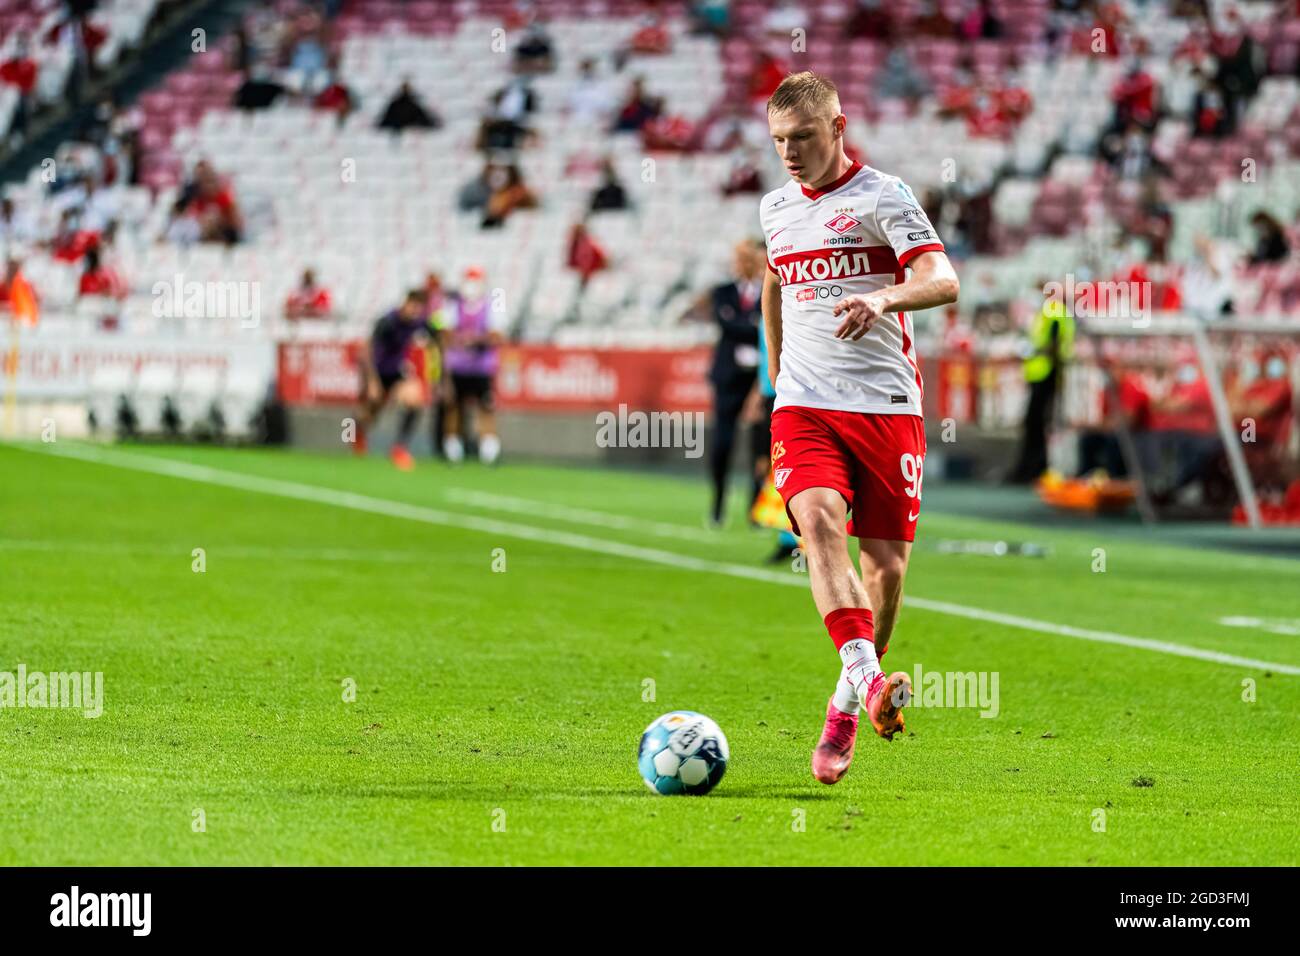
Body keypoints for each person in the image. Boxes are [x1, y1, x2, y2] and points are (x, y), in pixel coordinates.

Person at [760, 72, 959, 785]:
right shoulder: (776, 209)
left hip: (885, 408)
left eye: (804, 137)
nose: (790, 152)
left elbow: (943, 279)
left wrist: (883, 295)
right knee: (815, 526)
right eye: (780, 140)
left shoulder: (885, 198)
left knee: (888, 572)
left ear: (838, 128)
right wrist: (778, 376)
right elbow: (776, 283)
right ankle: (873, 684)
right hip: (806, 406)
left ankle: (845, 705)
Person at [706, 240, 764, 527]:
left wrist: (748, 327)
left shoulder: (768, 292)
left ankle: (756, 511)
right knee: (722, 444)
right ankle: (717, 505)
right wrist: (755, 327)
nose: (741, 263)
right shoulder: (723, 292)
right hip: (728, 376)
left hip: (758, 378)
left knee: (760, 446)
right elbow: (727, 326)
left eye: (746, 258)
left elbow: (762, 328)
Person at [355, 290, 430, 470]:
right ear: (406, 303)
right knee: (370, 411)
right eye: (413, 307)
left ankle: (399, 447)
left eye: (419, 309)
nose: (415, 312)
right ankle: (354, 435)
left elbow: (436, 337)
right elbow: (367, 352)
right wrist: (372, 381)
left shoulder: (418, 323)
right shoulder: (387, 321)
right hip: (376, 370)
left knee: (415, 401)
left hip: (396, 371)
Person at [1009, 285, 1074, 483]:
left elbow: (1053, 344)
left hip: (1047, 374)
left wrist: (1034, 351)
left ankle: (1035, 468)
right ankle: (1036, 466)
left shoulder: (1053, 312)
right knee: (1035, 423)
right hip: (1041, 374)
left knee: (1036, 423)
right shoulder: (1049, 312)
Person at [442, 267, 504, 465]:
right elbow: (445, 333)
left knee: (485, 407)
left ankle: (488, 450)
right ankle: (453, 449)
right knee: (454, 406)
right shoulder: (452, 304)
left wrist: (474, 339)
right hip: (458, 366)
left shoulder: (493, 304)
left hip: (482, 367)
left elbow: (497, 335)